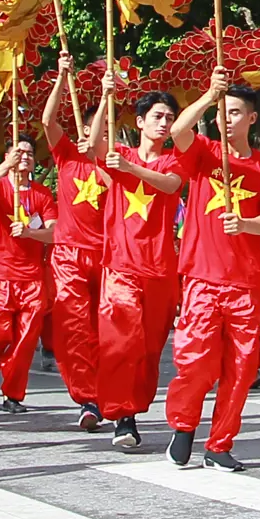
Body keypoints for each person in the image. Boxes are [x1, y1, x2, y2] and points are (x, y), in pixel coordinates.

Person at [164, 69, 260, 471]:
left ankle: (219, 444)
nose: (228, 118)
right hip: (203, 275)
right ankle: (183, 425)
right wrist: (208, 95)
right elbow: (178, 130)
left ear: (251, 118)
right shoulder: (202, 151)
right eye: (223, 112)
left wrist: (247, 225)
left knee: (241, 367)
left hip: (246, 281)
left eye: (236, 112)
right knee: (196, 361)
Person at [91, 81, 186, 449]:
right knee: (122, 342)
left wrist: (131, 168)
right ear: (141, 121)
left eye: (169, 118)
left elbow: (169, 184)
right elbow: (94, 144)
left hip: (160, 268)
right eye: (158, 117)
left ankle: (134, 406)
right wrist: (105, 97)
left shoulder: (172, 159)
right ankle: (122, 416)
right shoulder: (117, 153)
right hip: (121, 267)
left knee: (147, 350)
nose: (164, 123)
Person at [0, 135, 58, 413]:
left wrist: (30, 232)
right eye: (19, 152)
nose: (25, 157)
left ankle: (13, 395)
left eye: (29, 153)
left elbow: (54, 232)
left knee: (25, 342)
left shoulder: (42, 194)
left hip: (31, 279)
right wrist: (5, 168)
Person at [42, 52, 109, 430]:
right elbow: (47, 120)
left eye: (95, 131)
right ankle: (86, 399)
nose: (88, 135)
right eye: (83, 130)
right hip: (68, 254)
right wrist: (61, 76)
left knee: (103, 329)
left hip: (105, 255)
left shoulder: (109, 164)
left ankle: (103, 395)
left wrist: (106, 96)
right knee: (75, 327)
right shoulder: (65, 157)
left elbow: (101, 134)